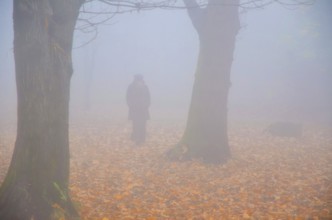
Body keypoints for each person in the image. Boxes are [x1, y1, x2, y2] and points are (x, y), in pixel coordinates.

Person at [126, 74, 150, 144]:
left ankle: (142, 139)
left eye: (140, 79)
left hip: (143, 109)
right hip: (135, 110)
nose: (139, 81)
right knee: (136, 125)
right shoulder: (131, 87)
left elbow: (148, 98)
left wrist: (146, 105)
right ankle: (136, 138)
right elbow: (128, 98)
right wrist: (131, 106)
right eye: (138, 79)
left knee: (143, 125)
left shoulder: (145, 87)